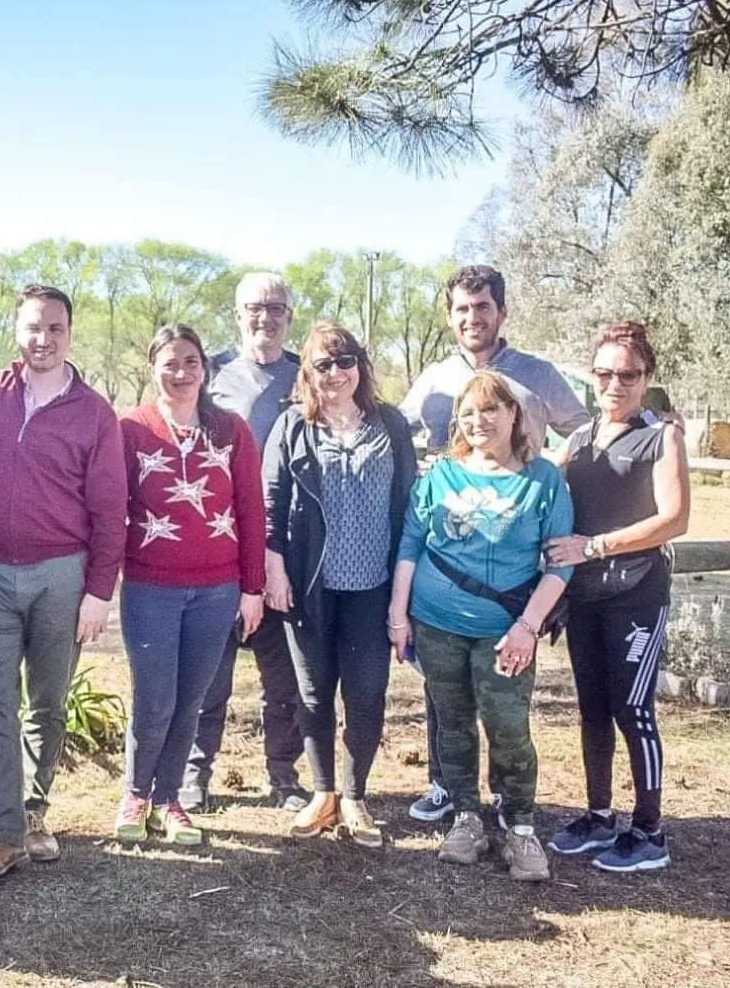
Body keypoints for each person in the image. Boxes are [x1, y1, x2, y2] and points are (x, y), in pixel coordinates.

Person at [399, 264, 588, 824]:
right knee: (444, 689)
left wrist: (548, 466)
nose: (471, 318)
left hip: (513, 545)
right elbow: (401, 430)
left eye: (482, 307)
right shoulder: (433, 379)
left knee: (503, 701)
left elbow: (581, 427)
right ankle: (446, 787)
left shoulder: (536, 374)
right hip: (447, 539)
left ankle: (511, 801)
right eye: (461, 308)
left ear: (501, 312)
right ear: (450, 315)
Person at [0, 284, 126, 886]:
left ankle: (34, 813)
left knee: (48, 704)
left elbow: (111, 511)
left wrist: (98, 592)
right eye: (33, 328)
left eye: (55, 329)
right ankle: (3, 836)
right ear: (16, 332)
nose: (43, 340)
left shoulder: (95, 413)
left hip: (64, 574)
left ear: (70, 335)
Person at [388, 371, 573, 881]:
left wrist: (527, 627)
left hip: (506, 629)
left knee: (509, 727)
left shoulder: (543, 481)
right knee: (452, 722)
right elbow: (411, 544)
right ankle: (467, 817)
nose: (478, 421)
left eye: (490, 409)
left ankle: (520, 827)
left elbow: (560, 564)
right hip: (436, 623)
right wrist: (398, 614)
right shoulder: (441, 476)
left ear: (514, 414)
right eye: (468, 413)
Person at [264, 323, 417, 846]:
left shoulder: (390, 424)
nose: (335, 373)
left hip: (373, 588)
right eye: (323, 364)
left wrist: (404, 592)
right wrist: (275, 571)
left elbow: (409, 509)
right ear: (307, 372)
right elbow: (271, 506)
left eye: (344, 360)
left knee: (367, 693)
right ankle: (322, 793)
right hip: (310, 587)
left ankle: (355, 797)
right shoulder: (292, 427)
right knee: (312, 694)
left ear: (361, 366)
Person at [544, 323, 689, 872]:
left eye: (628, 375)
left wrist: (595, 546)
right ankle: (599, 815)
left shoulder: (661, 437)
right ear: (591, 376)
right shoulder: (579, 441)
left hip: (636, 593)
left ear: (646, 377)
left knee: (634, 709)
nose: (615, 384)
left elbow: (673, 519)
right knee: (593, 710)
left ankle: (649, 830)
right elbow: (533, 476)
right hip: (584, 596)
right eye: (604, 373)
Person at [115, 324, 265, 845]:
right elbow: (113, 510)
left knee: (193, 700)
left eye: (191, 363)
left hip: (218, 590)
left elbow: (251, 509)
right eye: (170, 363)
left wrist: (253, 589)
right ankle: (136, 794)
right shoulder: (130, 430)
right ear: (152, 367)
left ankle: (169, 799)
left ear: (206, 369)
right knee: (154, 698)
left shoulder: (231, 430)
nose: (180, 374)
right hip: (150, 587)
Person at [181, 271, 310, 813]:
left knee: (283, 677)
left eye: (276, 308)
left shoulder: (309, 374)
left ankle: (284, 775)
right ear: (237, 314)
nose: (266, 317)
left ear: (289, 315)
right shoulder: (209, 373)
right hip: (222, 543)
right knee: (210, 673)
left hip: (287, 546)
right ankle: (193, 774)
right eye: (255, 308)